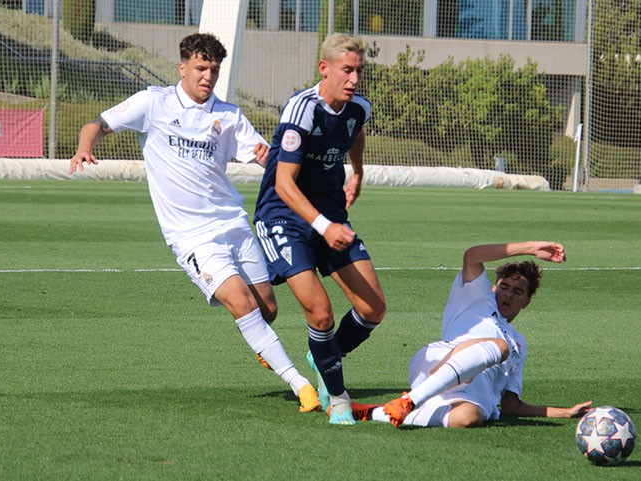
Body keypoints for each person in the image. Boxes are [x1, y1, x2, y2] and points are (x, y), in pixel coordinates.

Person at [69, 33, 320, 413]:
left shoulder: (229, 115)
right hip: (190, 236)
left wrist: (290, 166)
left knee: (267, 309)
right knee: (241, 303)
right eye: (201, 68)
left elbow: (262, 157)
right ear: (182, 67)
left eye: (214, 70)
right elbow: (98, 124)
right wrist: (85, 145)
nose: (207, 76)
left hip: (233, 223)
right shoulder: (154, 102)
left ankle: (260, 341)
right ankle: (301, 384)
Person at [253, 34, 386, 425]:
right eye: (347, 70)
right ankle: (338, 396)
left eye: (359, 70)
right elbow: (283, 184)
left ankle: (324, 356)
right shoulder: (301, 109)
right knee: (321, 313)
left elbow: (355, 132)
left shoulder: (359, 108)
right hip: (283, 216)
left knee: (373, 308)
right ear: (324, 68)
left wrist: (357, 171)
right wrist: (324, 226)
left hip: (329, 214)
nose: (355, 78)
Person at [339, 241, 592, 428]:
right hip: (438, 362)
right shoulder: (478, 298)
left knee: (468, 418)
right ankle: (410, 400)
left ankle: (376, 412)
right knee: (500, 347)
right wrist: (530, 249)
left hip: (467, 397)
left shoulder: (520, 343)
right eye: (504, 286)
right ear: (494, 286)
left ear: (526, 301)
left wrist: (566, 412)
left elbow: (511, 405)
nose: (508, 294)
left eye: (518, 292)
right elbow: (472, 256)